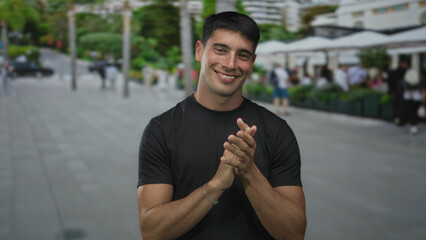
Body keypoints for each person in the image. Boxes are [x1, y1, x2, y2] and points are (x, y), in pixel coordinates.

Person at [137, 12, 306, 240]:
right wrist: (216, 185)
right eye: (220, 50)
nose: (230, 64)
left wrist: (248, 172)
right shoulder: (161, 130)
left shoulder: (277, 131)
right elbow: (151, 231)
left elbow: (294, 234)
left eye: (243, 55)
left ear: (252, 63)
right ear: (199, 51)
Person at [399, 69, 425, 135]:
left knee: (412, 112)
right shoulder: (420, 81)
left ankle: (413, 126)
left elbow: (408, 89)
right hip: (418, 98)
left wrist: (412, 96)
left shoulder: (405, 81)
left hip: (410, 99)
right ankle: (414, 125)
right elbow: (423, 90)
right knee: (415, 112)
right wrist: (423, 97)